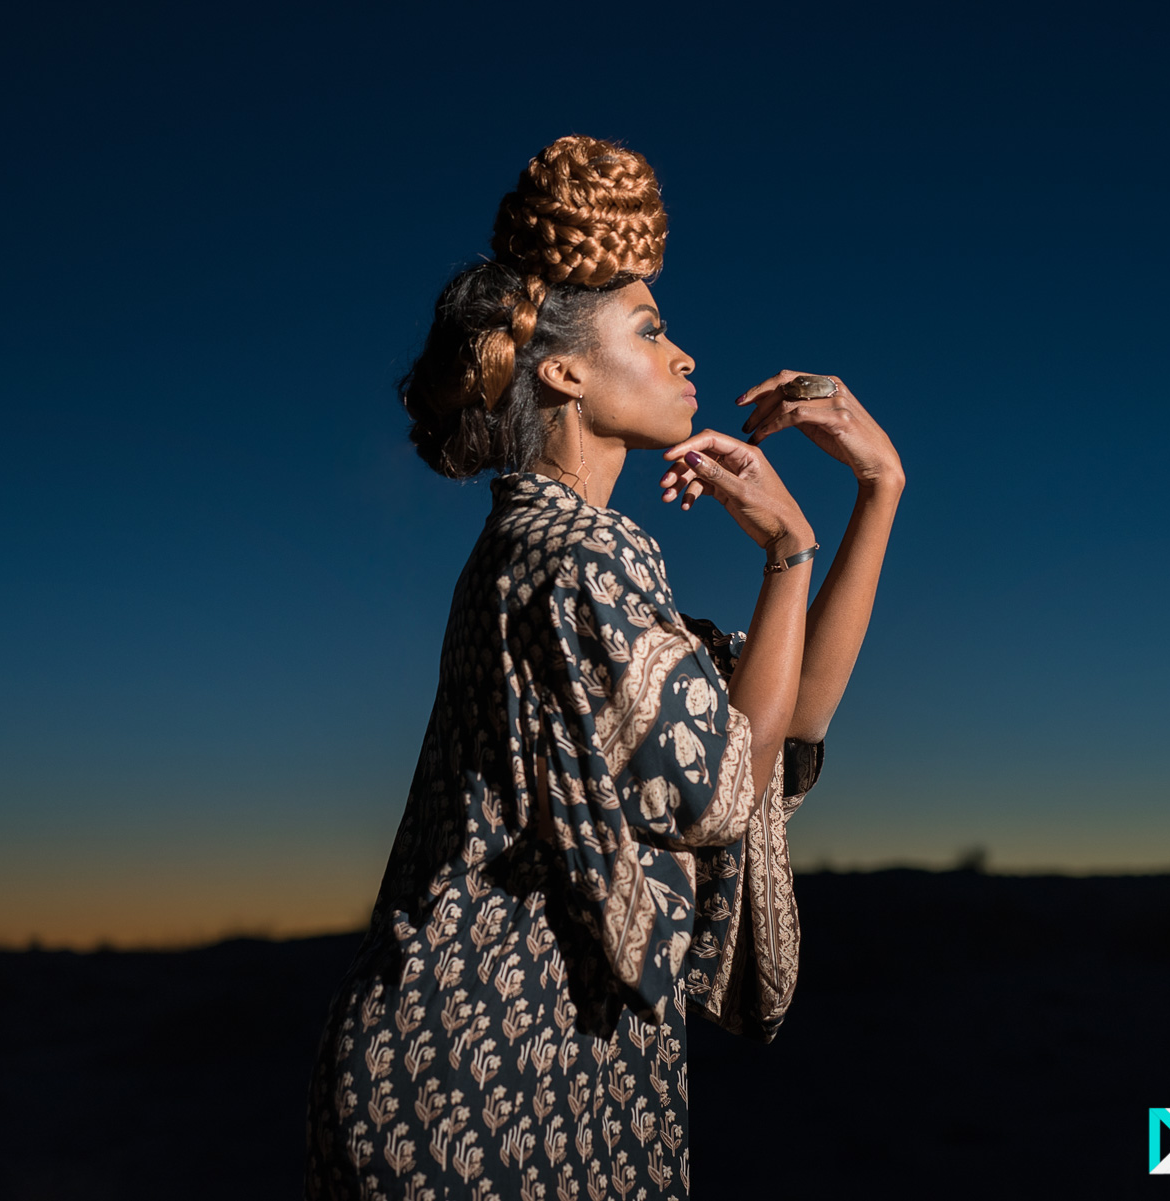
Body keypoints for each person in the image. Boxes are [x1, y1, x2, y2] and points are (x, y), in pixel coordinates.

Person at [305, 135, 903, 1201]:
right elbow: (728, 782)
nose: (684, 358)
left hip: (527, 1070)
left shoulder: (561, 555)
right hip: (476, 1098)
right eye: (651, 328)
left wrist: (878, 490)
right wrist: (786, 552)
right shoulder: (572, 556)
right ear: (565, 368)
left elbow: (787, 719)